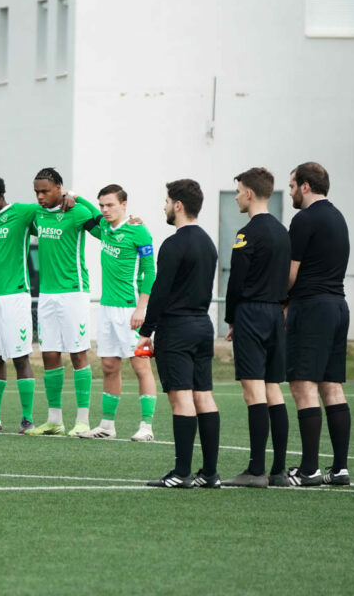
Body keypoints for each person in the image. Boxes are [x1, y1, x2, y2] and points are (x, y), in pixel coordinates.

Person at [0, 172, 74, 433]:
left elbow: (53, 213)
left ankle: (27, 418)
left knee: (20, 358)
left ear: (1, 196)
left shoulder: (24, 213)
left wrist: (71, 196)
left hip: (16, 296)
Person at [136, 179, 220, 488]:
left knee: (181, 399)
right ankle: (210, 474)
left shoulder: (174, 244)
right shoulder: (208, 243)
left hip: (178, 328)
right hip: (202, 325)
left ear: (179, 205)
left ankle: (182, 473)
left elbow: (160, 291)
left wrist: (147, 331)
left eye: (167, 201)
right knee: (204, 397)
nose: (164, 206)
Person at [220, 168, 292, 488]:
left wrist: (232, 318)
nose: (235, 196)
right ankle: (278, 469)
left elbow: (236, 282)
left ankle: (255, 470)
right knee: (274, 389)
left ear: (250, 193)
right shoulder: (282, 232)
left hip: (251, 313)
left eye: (238, 191)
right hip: (276, 314)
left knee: (253, 393)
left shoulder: (246, 233)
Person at [284, 162, 352, 487]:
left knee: (302, 384)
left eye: (293, 185)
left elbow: (291, 273)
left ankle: (309, 469)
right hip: (338, 306)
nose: (291, 192)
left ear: (306, 186)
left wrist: (276, 300)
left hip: (311, 307)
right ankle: (339, 469)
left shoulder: (304, 219)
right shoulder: (338, 217)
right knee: (332, 385)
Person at [25, 168, 105, 437]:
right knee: (49, 354)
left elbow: (104, 232)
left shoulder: (77, 212)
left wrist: (78, 197)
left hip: (74, 292)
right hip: (46, 294)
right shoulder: (37, 215)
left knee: (78, 353)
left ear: (60, 188)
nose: (40, 196)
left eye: (45, 191)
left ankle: (82, 420)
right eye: (36, 191)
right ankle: (54, 420)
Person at [81, 184, 158, 442]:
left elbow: (150, 272)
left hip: (131, 308)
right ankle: (107, 426)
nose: (104, 210)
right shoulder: (104, 228)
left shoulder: (139, 232)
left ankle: (146, 426)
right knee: (109, 365)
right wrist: (75, 196)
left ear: (124, 204)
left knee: (140, 366)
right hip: (107, 308)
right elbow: (88, 213)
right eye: (102, 205)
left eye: (110, 204)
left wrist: (142, 308)